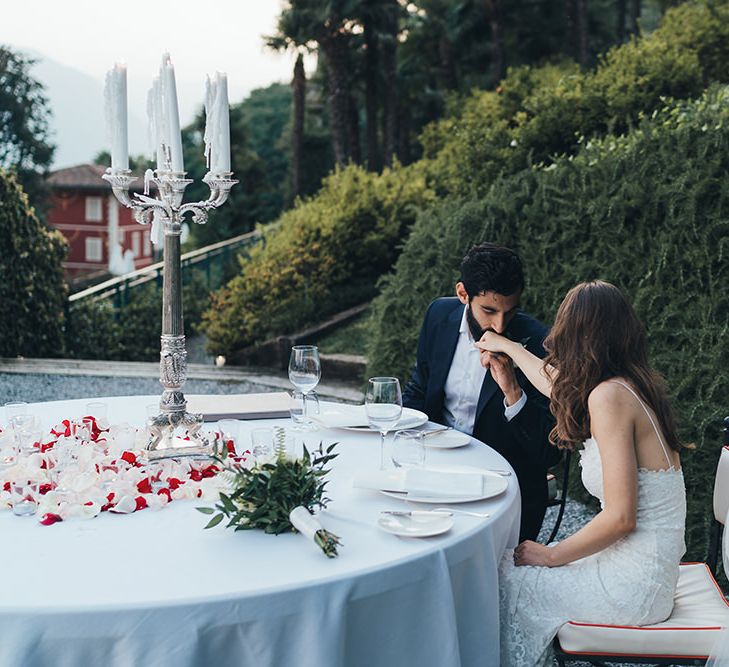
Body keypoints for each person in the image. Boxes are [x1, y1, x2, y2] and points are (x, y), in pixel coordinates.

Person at [475, 280, 687, 666]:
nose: (555, 340)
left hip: (631, 586)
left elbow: (621, 518)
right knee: (503, 570)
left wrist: (552, 555)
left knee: (497, 581)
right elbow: (554, 384)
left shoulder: (609, 397)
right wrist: (506, 346)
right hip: (646, 573)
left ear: (579, 336)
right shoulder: (628, 384)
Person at [402, 242, 560, 541]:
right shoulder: (438, 314)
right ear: (463, 294)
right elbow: (420, 388)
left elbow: (548, 452)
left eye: (509, 312)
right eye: (489, 310)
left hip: (503, 488)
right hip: (436, 472)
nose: (499, 325)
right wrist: (398, 437)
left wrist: (512, 390)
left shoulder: (540, 342)